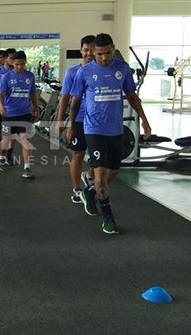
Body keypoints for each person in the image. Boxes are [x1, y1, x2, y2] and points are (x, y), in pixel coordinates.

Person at [68, 33, 152, 235]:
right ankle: (108, 217)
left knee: (114, 171)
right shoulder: (84, 73)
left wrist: (145, 121)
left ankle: (89, 191)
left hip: (115, 129)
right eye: (99, 54)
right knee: (100, 176)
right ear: (93, 53)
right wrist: (70, 125)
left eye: (107, 53)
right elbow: (75, 102)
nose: (104, 58)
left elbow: (132, 97)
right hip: (93, 129)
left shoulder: (122, 69)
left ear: (113, 49)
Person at [55, 35, 96, 204]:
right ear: (81, 50)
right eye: (86, 50)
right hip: (78, 119)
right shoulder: (73, 73)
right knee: (78, 154)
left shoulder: (102, 72)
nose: (89, 53)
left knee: (100, 158)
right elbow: (65, 97)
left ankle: (89, 176)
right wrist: (59, 121)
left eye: (92, 50)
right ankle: (77, 190)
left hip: (97, 122)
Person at [0, 50, 39, 178]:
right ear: (12, 64)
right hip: (9, 114)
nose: (19, 67)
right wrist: (1, 106)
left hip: (24, 113)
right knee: (6, 140)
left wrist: (36, 108)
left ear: (25, 63)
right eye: (16, 64)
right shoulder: (7, 77)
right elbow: (1, 94)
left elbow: (32, 94)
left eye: (22, 64)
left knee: (25, 139)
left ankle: (27, 168)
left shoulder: (30, 76)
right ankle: (2, 156)